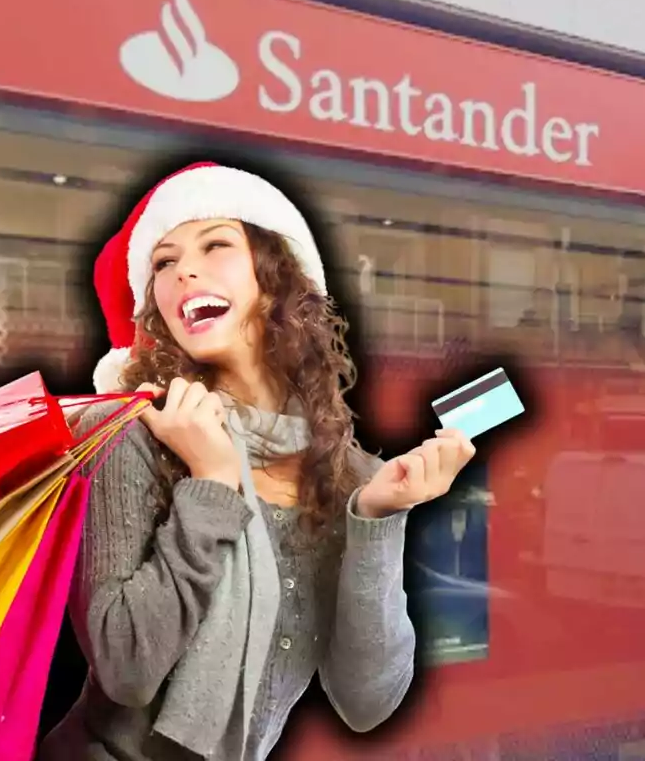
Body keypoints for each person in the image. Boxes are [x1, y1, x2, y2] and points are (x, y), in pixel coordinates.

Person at [40, 162, 476, 761]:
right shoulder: (133, 431)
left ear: (277, 279)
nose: (183, 270)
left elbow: (366, 702)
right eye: (164, 262)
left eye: (216, 244)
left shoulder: (347, 474)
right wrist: (213, 482)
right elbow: (125, 668)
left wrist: (377, 519)